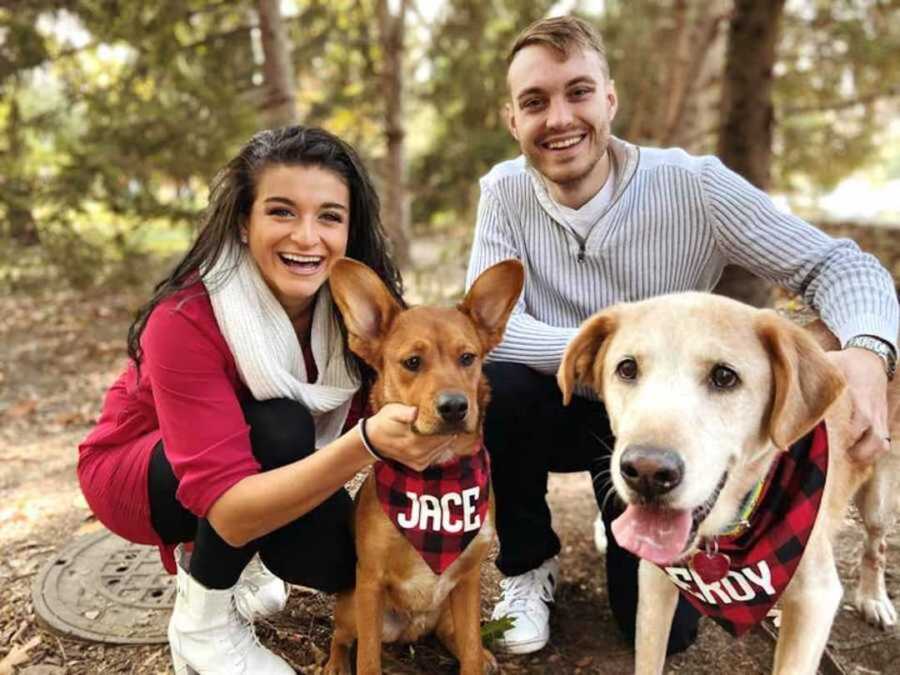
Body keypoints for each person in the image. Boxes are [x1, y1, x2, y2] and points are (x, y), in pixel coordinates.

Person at [467, 15, 899, 656]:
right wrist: (615, 352)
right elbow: (490, 328)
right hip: (560, 405)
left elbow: (835, 265)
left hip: (679, 418)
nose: (558, 117)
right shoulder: (503, 191)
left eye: (577, 92)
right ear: (513, 121)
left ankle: (635, 523)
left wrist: (867, 349)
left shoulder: (694, 186)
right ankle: (529, 566)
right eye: (535, 102)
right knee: (493, 382)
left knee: (667, 634)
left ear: (609, 98)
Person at [78, 126, 456, 674]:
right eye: (281, 212)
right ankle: (202, 625)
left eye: (329, 216)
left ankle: (241, 561)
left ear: (350, 229)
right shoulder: (186, 317)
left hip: (266, 461)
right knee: (279, 425)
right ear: (243, 221)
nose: (307, 237)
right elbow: (229, 501)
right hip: (138, 473)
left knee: (341, 562)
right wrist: (366, 444)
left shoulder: (361, 310)